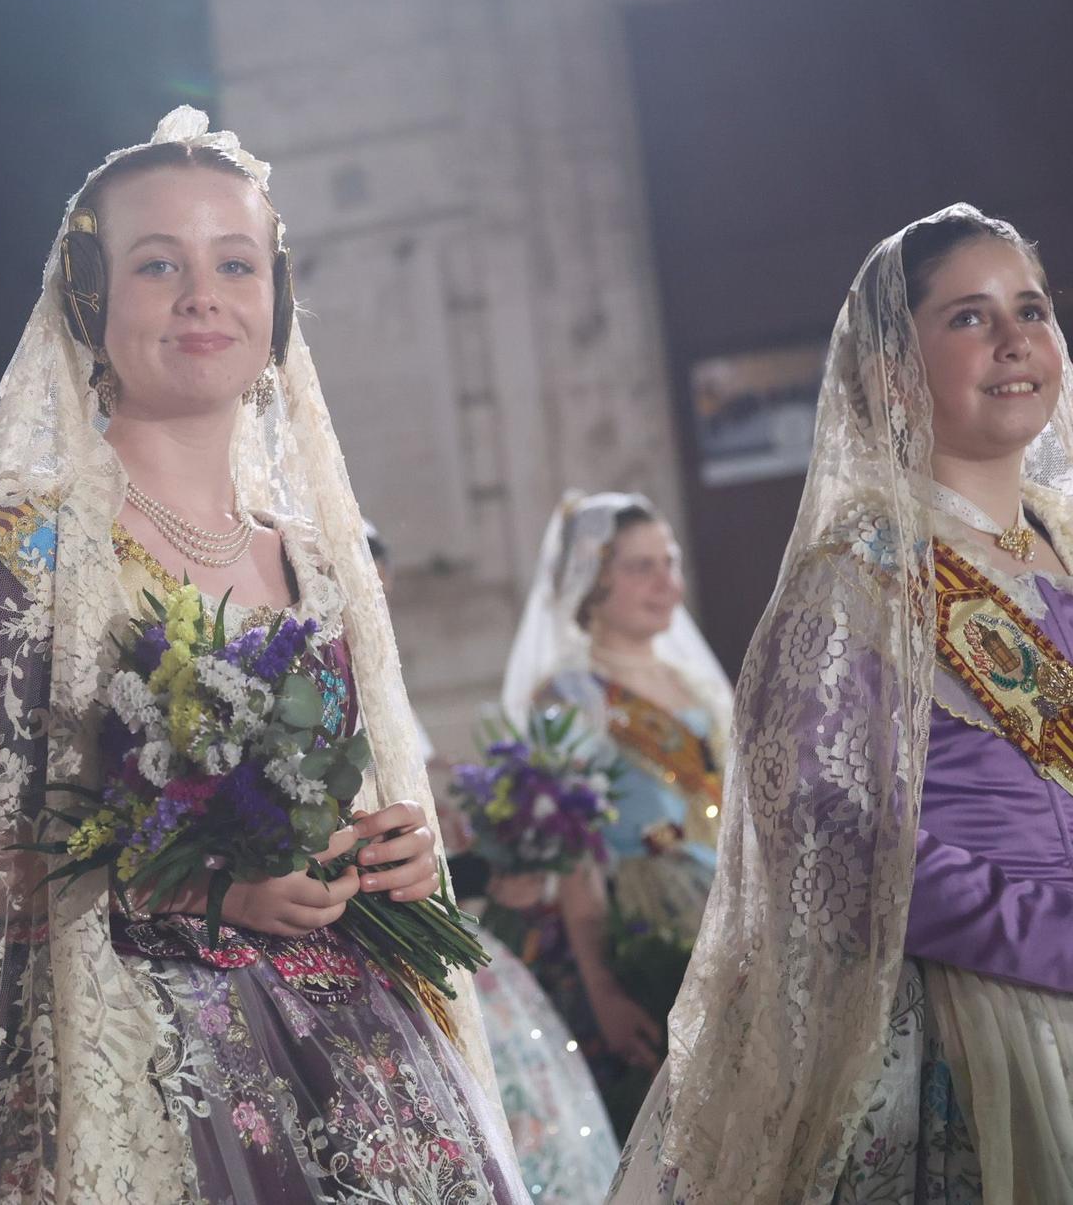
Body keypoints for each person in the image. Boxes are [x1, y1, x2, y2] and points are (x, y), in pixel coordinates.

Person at [0, 108, 521, 1202]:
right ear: (87, 296)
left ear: (276, 300)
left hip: (360, 1065)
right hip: (115, 1085)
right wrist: (207, 888)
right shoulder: (12, 563)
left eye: (234, 263)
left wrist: (390, 848)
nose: (203, 295)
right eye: (158, 264)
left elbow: (360, 784)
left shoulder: (319, 565)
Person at [610, 204, 1073, 1201]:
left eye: (1028, 307)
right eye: (965, 316)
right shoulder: (857, 575)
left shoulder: (1067, 549)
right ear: (889, 368)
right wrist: (1045, 931)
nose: (1011, 338)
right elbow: (822, 826)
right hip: (988, 1013)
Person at [372, 520, 622, 1202]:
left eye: (384, 596)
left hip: (446, 935)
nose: (377, 612)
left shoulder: (389, 697)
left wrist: (490, 861)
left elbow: (439, 846)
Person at [498, 491, 733, 1132]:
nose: (667, 583)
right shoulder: (570, 695)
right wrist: (604, 987)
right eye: (641, 566)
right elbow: (574, 857)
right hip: (642, 919)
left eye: (670, 561)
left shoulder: (699, 688)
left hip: (727, 909)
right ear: (593, 578)